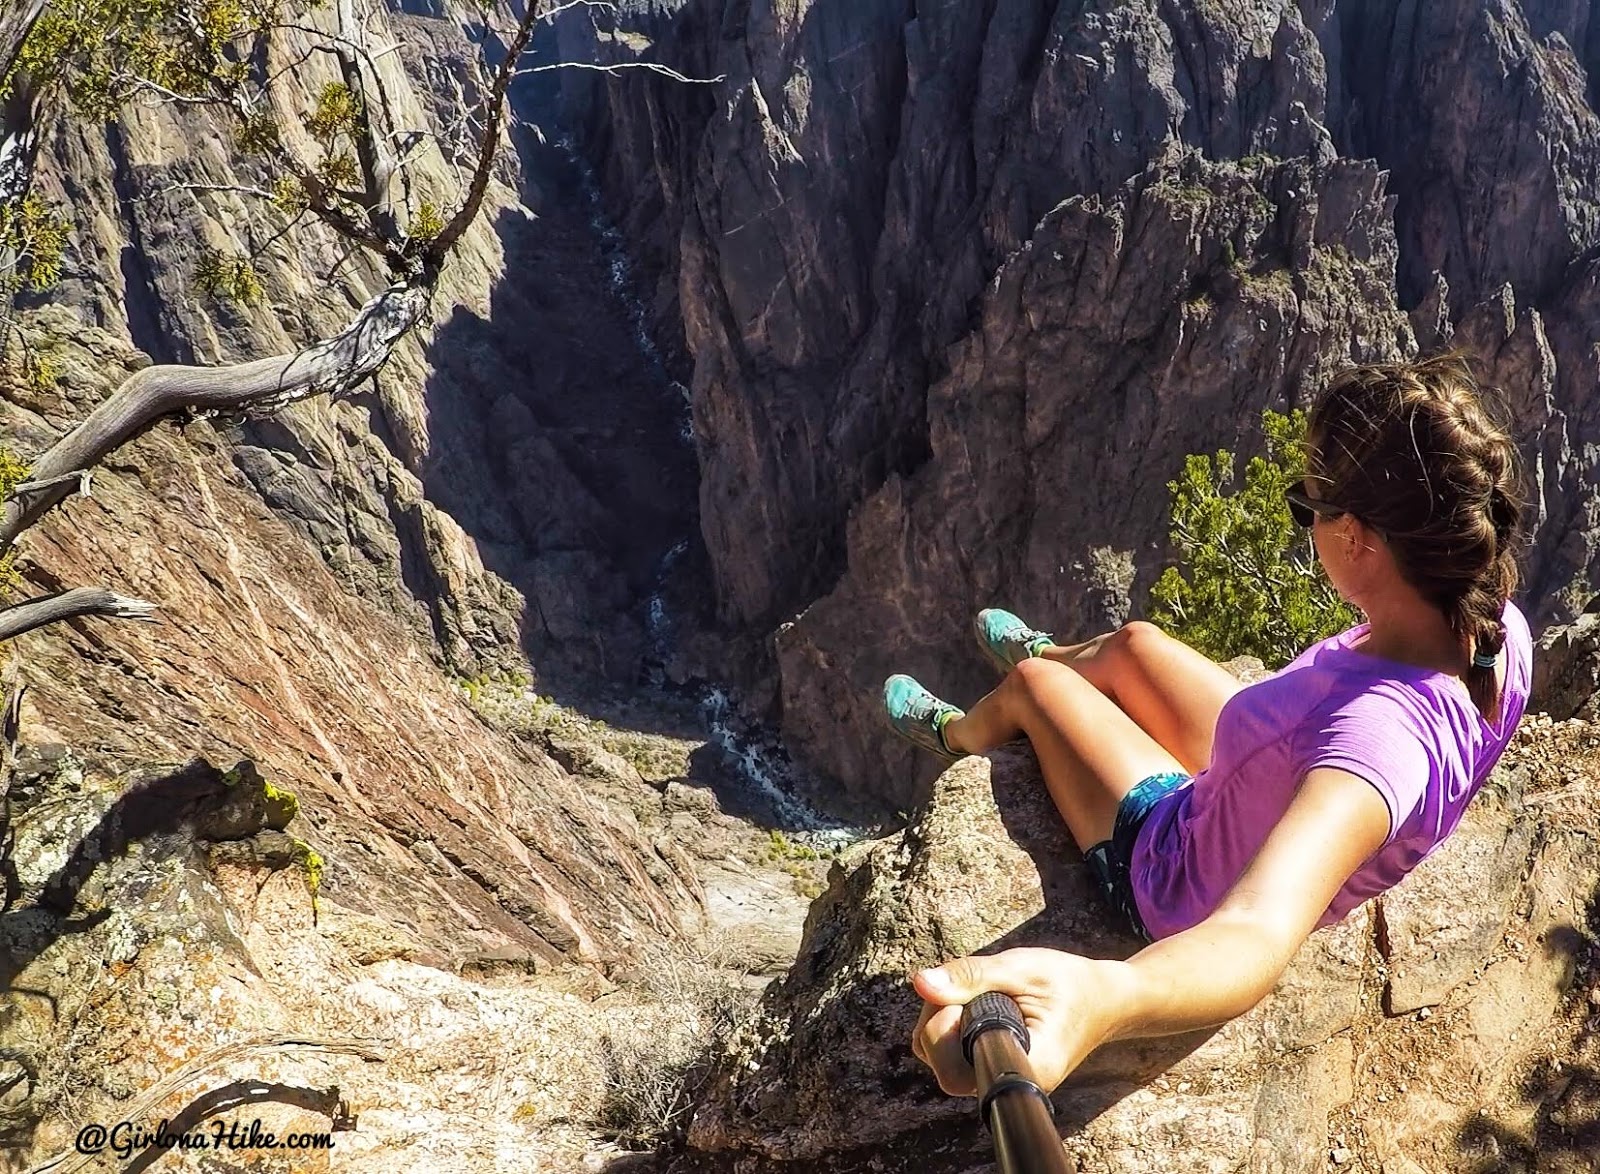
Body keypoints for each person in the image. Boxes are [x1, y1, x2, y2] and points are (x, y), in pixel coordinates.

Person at [880, 354, 1531, 1097]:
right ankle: (1054, 648)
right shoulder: (1497, 630)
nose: (1304, 522)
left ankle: (961, 731)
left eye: (1306, 504)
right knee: (1136, 643)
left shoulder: (1372, 745)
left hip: (1179, 872)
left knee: (1036, 688)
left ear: (1356, 538)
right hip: (1254, 790)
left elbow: (1252, 931)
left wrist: (1102, 998)